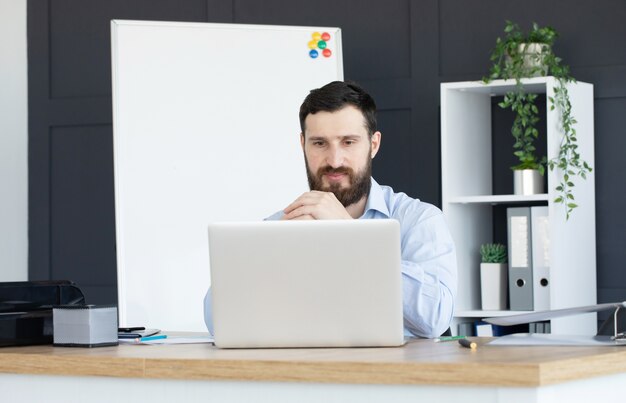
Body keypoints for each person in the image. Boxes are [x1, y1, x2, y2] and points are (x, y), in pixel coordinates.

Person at [204, 81, 457, 338]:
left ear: (374, 144)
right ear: (303, 144)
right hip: (302, 373)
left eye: (348, 142)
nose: (334, 160)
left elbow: (434, 320)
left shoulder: (419, 221)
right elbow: (217, 322)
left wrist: (351, 236)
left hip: (391, 375)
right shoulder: (280, 225)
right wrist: (271, 253)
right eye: (320, 144)